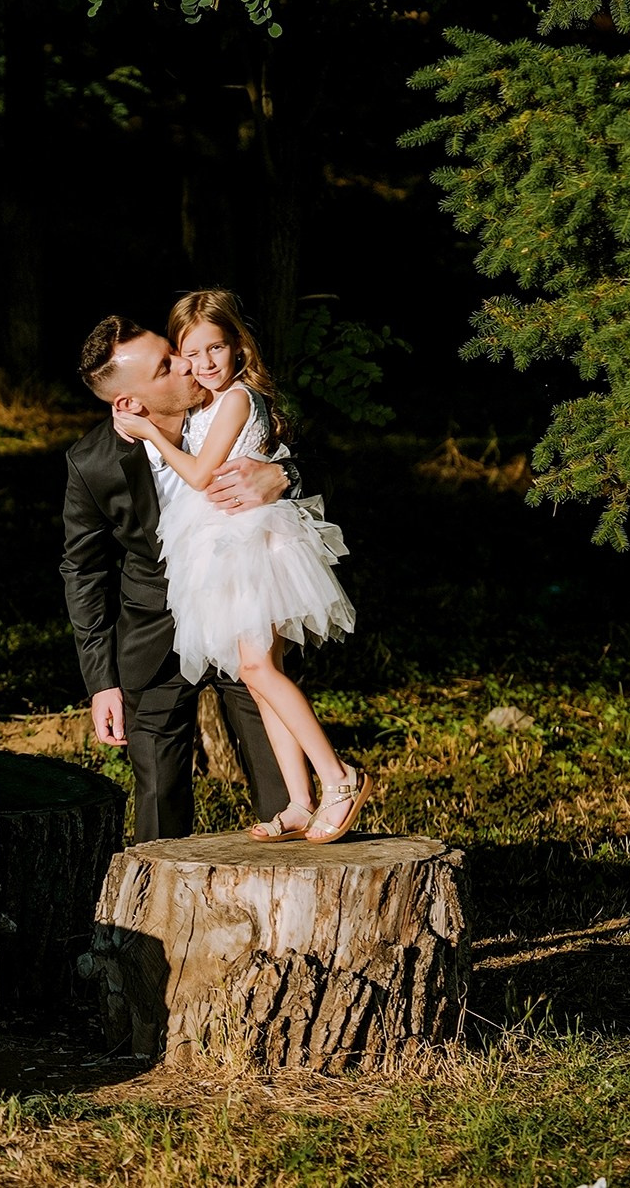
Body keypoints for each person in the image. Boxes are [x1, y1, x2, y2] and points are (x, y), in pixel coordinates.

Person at [110, 291, 368, 844]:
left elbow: (201, 475)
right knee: (259, 676)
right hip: (222, 552)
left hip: (254, 546)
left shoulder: (237, 400)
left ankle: (339, 778)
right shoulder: (205, 403)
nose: (204, 363)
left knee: (257, 670)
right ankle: (299, 800)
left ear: (237, 345)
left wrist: (152, 432)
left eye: (216, 348)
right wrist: (139, 414)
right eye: (191, 352)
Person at [62, 312, 301, 843]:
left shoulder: (228, 407)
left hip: (239, 616)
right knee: (158, 803)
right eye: (167, 365)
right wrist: (101, 681)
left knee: (281, 773)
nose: (189, 363)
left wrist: (286, 475)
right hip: (154, 631)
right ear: (128, 403)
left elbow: (316, 470)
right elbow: (83, 569)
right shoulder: (92, 464)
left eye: (178, 351)